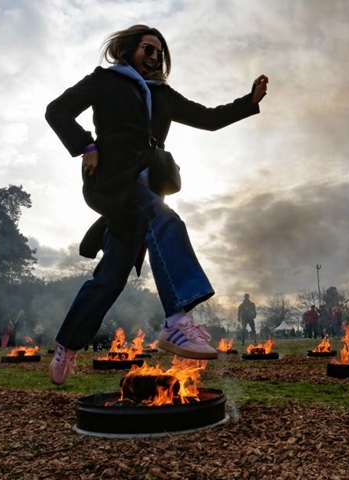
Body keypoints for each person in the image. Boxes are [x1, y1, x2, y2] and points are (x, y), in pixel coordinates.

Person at [44, 24, 267, 385]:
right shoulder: (105, 80)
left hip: (148, 185)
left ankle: (66, 344)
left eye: (159, 52)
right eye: (148, 49)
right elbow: (57, 111)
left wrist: (249, 102)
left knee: (110, 278)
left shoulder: (162, 94)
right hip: (115, 179)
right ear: (129, 49)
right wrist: (87, 146)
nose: (154, 56)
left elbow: (208, 118)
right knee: (168, 223)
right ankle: (177, 322)